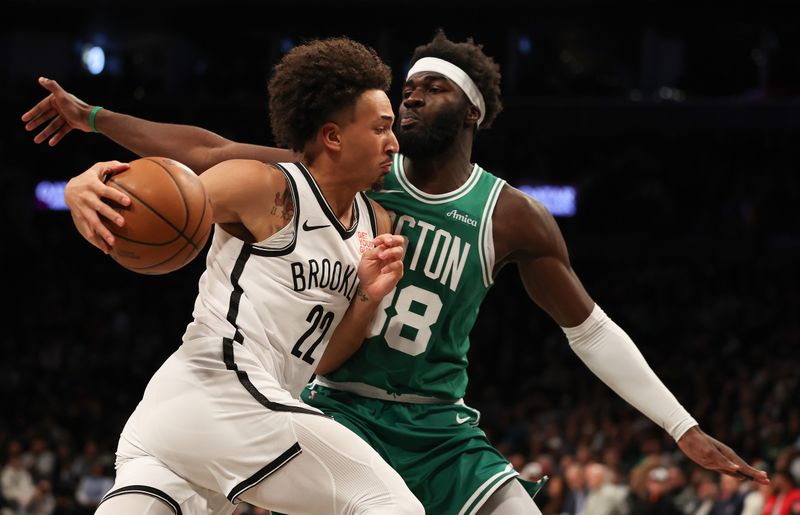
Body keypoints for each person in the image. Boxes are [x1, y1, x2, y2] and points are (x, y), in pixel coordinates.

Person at [22, 29, 769, 515]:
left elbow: (590, 330)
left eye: (427, 91)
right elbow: (206, 158)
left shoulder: (501, 216)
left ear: (471, 111)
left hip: (430, 420)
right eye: (396, 98)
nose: (408, 103)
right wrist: (99, 156)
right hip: (318, 403)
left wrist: (681, 425)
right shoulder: (331, 178)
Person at [45, 37, 424, 515]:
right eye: (381, 128)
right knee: (390, 505)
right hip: (222, 388)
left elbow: (323, 361)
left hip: (193, 420)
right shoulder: (267, 186)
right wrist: (88, 187)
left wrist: (368, 295)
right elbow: (171, 193)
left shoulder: (374, 227)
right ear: (332, 136)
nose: (395, 142)